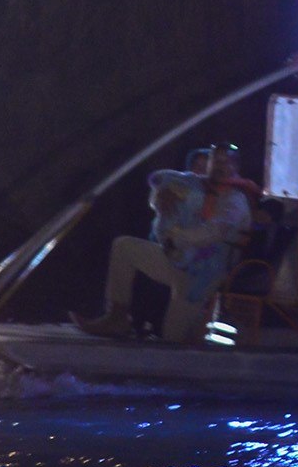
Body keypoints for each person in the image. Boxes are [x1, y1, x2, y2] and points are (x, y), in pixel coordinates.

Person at [79, 145, 256, 342]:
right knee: (124, 247)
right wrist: (161, 195)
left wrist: (176, 239)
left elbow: (215, 231)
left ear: (235, 166)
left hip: (203, 274)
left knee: (173, 338)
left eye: (226, 162)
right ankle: (117, 316)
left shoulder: (235, 200)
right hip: (177, 261)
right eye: (216, 160)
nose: (219, 166)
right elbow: (160, 182)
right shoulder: (195, 185)